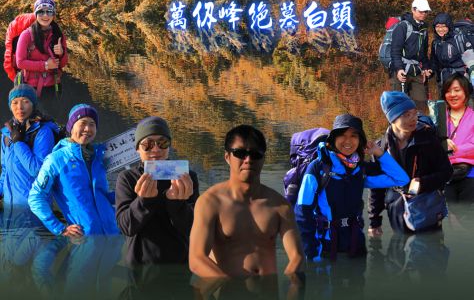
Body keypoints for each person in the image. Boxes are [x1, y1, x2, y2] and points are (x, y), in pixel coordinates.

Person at [189, 124, 304, 278]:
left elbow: (298, 257)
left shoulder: (280, 206)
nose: (248, 160)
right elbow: (196, 260)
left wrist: (293, 289)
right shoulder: (210, 202)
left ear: (263, 159)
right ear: (227, 157)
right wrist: (231, 286)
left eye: (255, 154)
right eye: (240, 153)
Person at [295, 114, 409, 261]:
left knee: (357, 282)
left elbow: (401, 178)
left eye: (354, 136)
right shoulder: (318, 168)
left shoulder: (359, 169)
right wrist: (312, 252)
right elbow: (302, 211)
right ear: (333, 139)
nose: (348, 141)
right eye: (342, 135)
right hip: (326, 245)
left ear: (360, 140)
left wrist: (378, 152)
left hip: (356, 242)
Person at [115, 116, 199, 265]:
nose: (155, 149)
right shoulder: (127, 178)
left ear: (169, 146)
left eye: (162, 143)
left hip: (180, 264)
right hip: (140, 265)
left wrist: (178, 204)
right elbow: (126, 227)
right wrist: (143, 201)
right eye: (147, 144)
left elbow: (195, 228)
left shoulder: (186, 176)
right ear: (137, 150)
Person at [368, 91, 453, 235]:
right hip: (397, 209)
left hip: (427, 207)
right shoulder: (381, 147)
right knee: (399, 252)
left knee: (430, 250)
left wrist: (423, 183)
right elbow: (377, 188)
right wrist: (374, 221)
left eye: (414, 113)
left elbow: (447, 172)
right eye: (406, 115)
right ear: (392, 118)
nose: (413, 119)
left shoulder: (427, 139)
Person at [28, 103, 119, 236]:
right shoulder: (56, 159)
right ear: (71, 127)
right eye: (82, 123)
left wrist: (130, 192)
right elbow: (35, 197)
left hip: (113, 234)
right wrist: (60, 228)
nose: (87, 129)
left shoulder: (98, 158)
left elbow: (102, 197)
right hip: (84, 240)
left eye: (92, 124)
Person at [0, 84, 58, 208]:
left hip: (34, 207)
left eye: (25, 102)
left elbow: (37, 170)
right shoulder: (6, 134)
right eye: (15, 102)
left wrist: (19, 143)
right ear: (10, 106)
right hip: (10, 206)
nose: (19, 107)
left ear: (33, 104)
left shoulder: (43, 132)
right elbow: (5, 170)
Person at [15, 0, 68, 99]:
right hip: (29, 88)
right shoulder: (26, 35)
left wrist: (61, 53)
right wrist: (45, 65)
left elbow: (62, 64)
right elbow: (20, 63)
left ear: (53, 14)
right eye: (41, 12)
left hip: (51, 86)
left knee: (51, 115)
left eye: (49, 11)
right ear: (35, 14)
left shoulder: (58, 35)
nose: (45, 15)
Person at [390, 0, 432, 107]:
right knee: (399, 107)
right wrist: (399, 69)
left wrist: (426, 68)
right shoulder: (403, 26)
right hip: (402, 70)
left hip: (416, 71)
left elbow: (423, 53)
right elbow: (395, 50)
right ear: (413, 10)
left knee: (421, 104)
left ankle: (419, 124)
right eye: (421, 11)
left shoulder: (424, 29)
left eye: (425, 12)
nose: (423, 14)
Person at [442, 74, 474, 202]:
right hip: (445, 175)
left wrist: (451, 149)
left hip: (470, 175)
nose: (453, 95)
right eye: (448, 91)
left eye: (457, 90)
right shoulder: (437, 119)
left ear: (466, 92)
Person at [430, 13, 466, 91]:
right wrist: (431, 70)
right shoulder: (435, 42)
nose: (440, 29)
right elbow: (434, 61)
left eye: (443, 26)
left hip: (461, 80)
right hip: (444, 80)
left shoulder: (458, 40)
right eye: (437, 26)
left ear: (449, 26)